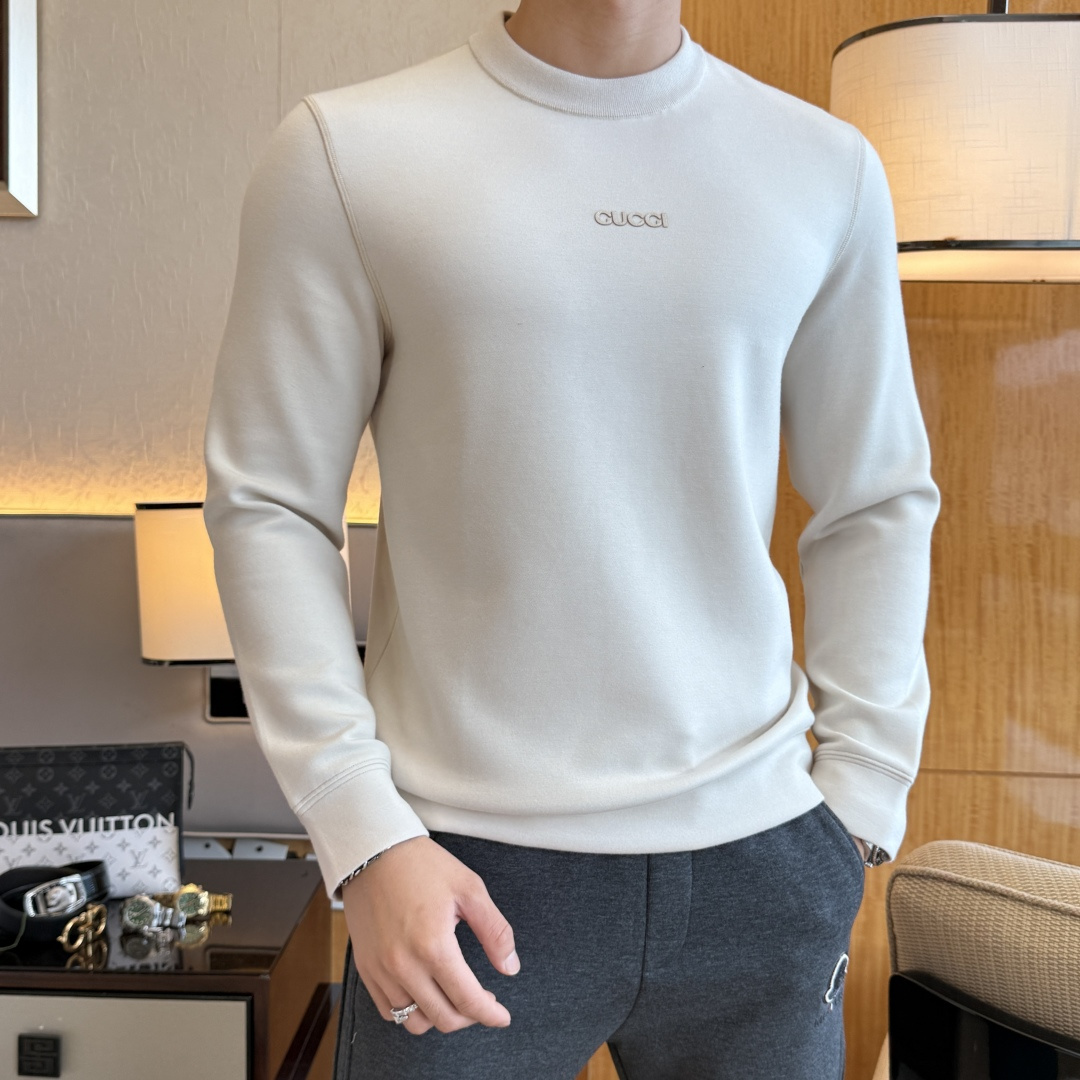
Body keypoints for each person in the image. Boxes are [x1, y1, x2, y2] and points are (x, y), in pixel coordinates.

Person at [201, 0, 941, 1075]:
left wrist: (861, 796)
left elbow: (877, 498)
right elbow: (270, 503)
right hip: (452, 867)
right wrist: (362, 835)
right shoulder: (345, 153)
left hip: (764, 860)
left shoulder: (825, 169)